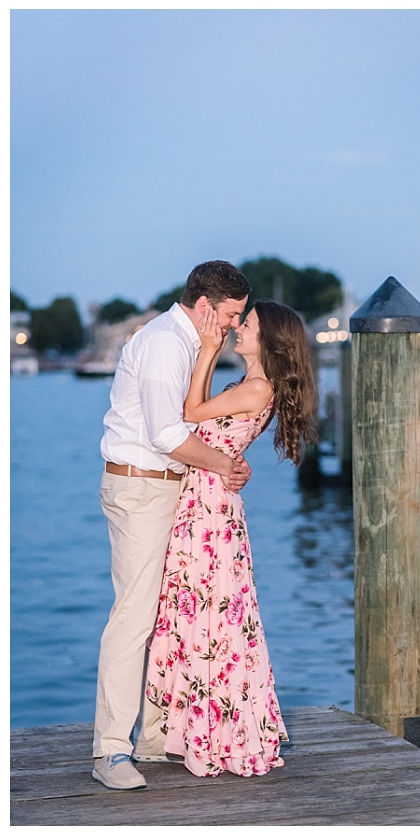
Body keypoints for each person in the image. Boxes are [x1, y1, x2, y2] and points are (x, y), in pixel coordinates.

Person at [93, 261, 253, 790]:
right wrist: (221, 464)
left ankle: (157, 739)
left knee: (169, 613)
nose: (234, 326)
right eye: (231, 315)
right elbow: (165, 433)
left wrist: (224, 460)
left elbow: (195, 418)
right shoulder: (164, 342)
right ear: (207, 305)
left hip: (169, 487)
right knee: (135, 616)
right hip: (142, 487)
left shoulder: (187, 343)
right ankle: (110, 753)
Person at [142, 299, 317, 777]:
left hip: (209, 506)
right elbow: (213, 431)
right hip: (211, 496)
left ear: (269, 340)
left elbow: (188, 412)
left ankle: (214, 729)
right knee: (206, 608)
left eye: (250, 324)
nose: (239, 327)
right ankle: (201, 724)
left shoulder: (258, 386)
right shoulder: (253, 385)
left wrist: (206, 350)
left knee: (211, 610)